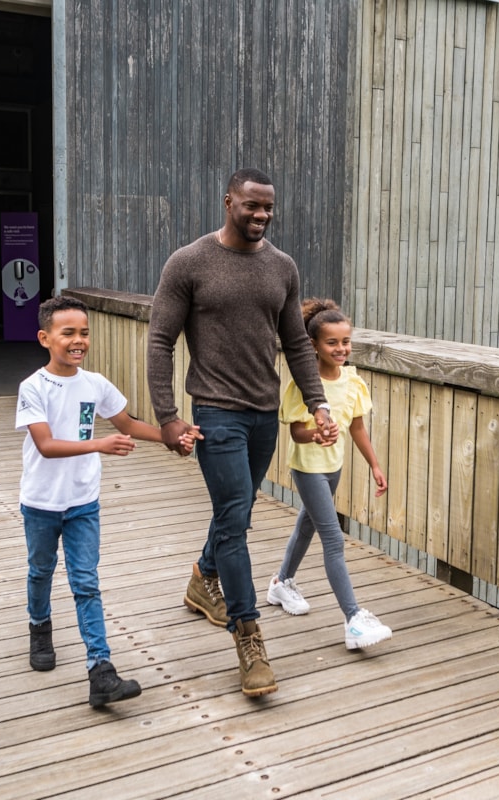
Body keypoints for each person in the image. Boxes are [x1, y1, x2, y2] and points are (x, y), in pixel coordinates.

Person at [147, 168, 338, 697]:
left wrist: (317, 404)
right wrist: (168, 416)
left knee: (238, 508)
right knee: (236, 522)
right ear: (228, 199)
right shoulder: (188, 263)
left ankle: (201, 578)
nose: (260, 215)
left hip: (264, 414)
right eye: (251, 206)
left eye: (267, 208)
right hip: (214, 412)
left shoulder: (282, 267)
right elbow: (160, 341)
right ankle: (248, 637)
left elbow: (297, 344)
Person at [17, 295, 197, 707]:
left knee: (86, 582)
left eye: (84, 332)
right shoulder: (33, 387)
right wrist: (99, 444)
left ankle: (101, 671)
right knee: (40, 570)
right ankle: (39, 628)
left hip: (83, 502)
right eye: (68, 333)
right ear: (45, 338)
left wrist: (173, 436)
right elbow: (44, 445)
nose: (78, 340)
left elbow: (128, 424)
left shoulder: (94, 383)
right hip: (42, 502)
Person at [267, 299, 393, 649]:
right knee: (333, 539)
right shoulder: (303, 385)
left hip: (333, 467)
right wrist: (316, 434)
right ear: (313, 346)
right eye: (332, 343)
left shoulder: (352, 381)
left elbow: (357, 429)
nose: (341, 349)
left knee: (308, 524)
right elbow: (295, 433)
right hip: (307, 468)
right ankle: (353, 620)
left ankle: (281, 583)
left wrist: (375, 465)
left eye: (346, 342)